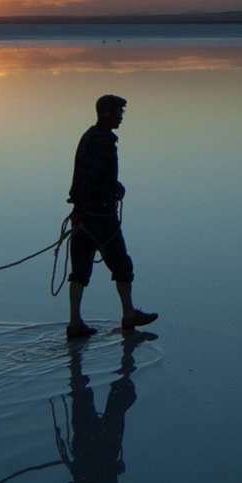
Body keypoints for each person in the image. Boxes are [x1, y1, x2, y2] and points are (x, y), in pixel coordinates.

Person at [64, 93, 158, 340]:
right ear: (107, 113)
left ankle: (75, 322)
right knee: (122, 265)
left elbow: (88, 177)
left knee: (80, 270)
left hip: (83, 216)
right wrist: (111, 191)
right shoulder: (103, 141)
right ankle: (128, 315)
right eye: (119, 112)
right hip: (101, 217)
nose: (122, 117)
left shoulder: (89, 137)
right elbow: (93, 178)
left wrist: (79, 210)